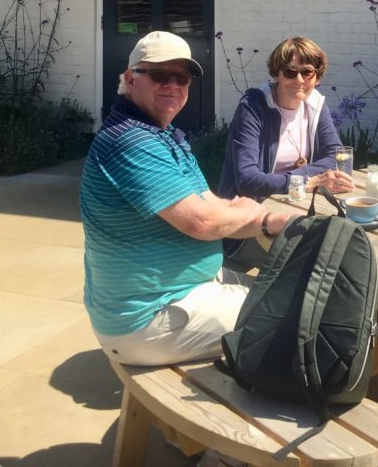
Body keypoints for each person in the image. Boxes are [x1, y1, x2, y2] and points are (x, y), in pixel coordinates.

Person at [80, 30, 296, 367]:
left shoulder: (163, 136)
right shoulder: (129, 142)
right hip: (148, 318)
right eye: (159, 75)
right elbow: (203, 222)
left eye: (182, 77)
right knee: (297, 313)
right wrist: (251, 213)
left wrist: (264, 219)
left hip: (181, 294)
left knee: (290, 289)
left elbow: (210, 206)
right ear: (129, 79)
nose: (173, 85)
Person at [217, 37, 353, 265]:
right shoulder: (253, 108)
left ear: (317, 77)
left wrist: (309, 179)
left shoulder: (315, 105)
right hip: (249, 227)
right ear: (276, 74)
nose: (298, 80)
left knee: (348, 240)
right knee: (327, 258)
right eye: (290, 72)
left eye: (307, 72)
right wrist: (307, 182)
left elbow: (334, 155)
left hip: (297, 211)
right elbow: (247, 180)